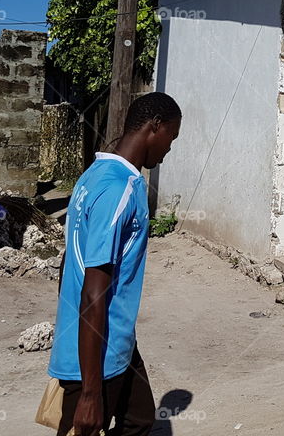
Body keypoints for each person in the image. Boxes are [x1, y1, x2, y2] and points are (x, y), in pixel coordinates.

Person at [48, 92, 182, 436]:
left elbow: (69, 260)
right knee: (84, 424)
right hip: (96, 348)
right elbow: (93, 292)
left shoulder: (94, 174)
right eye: (172, 137)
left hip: (114, 336)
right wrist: (91, 393)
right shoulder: (118, 189)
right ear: (156, 127)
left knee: (139, 418)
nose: (169, 150)